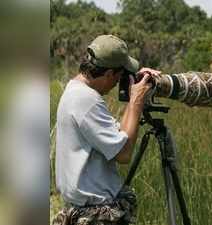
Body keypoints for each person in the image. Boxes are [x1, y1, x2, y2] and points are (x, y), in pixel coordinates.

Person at [52, 34, 160, 225]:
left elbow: (120, 137)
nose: (118, 82)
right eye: (120, 76)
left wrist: (135, 83)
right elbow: (124, 153)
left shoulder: (74, 91)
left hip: (81, 209)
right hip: (95, 215)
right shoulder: (87, 100)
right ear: (109, 73)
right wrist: (136, 101)